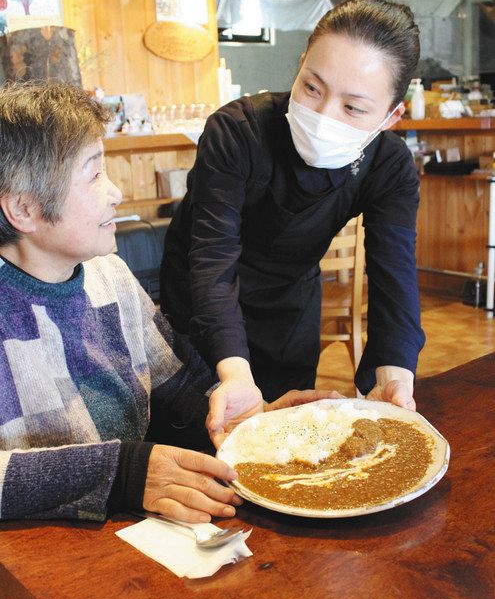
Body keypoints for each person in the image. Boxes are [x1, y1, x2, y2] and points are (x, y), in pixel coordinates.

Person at [0, 81, 334, 527]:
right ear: (23, 209)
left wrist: (249, 425)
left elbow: (181, 384)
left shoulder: (108, 276)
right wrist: (122, 473)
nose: (116, 193)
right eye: (95, 173)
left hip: (127, 542)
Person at [160, 0, 426, 438]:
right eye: (312, 87)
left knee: (285, 439)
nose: (322, 115)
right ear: (301, 63)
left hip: (290, 303)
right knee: (204, 431)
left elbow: (394, 274)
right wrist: (236, 375)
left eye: (354, 108)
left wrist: (395, 375)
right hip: (202, 301)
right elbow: (212, 260)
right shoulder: (239, 130)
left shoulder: (389, 166)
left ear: (391, 116)